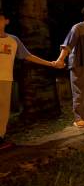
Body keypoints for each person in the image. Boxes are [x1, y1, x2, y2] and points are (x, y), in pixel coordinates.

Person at [0, 10, 62, 149]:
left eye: (0, 19)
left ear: (6, 21)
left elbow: (28, 56)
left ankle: (1, 139)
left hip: (5, 79)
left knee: (3, 110)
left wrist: (51, 63)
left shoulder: (13, 40)